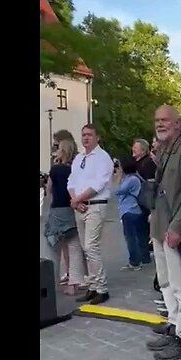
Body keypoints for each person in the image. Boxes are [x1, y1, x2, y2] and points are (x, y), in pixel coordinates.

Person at [146, 106, 181, 360]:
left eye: (165, 120)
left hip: (172, 230)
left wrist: (177, 227)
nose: (160, 124)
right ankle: (174, 325)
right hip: (160, 226)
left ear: (178, 124)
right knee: (165, 282)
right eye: (157, 120)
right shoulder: (165, 150)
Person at [67, 124, 114, 305]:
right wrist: (75, 200)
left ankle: (102, 288)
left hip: (95, 206)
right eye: (83, 135)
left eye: (89, 135)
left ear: (97, 137)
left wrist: (78, 199)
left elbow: (98, 184)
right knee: (85, 248)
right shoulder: (79, 158)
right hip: (80, 206)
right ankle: (93, 286)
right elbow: (71, 181)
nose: (86, 138)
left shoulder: (103, 158)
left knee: (91, 247)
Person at [45, 136, 86, 295]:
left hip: (57, 210)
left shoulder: (55, 169)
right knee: (74, 247)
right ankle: (73, 284)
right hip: (72, 208)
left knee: (53, 246)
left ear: (62, 151)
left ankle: (51, 281)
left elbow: (49, 189)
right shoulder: (76, 169)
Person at [114, 155, 151, 270]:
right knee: (138, 236)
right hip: (130, 210)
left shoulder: (132, 179)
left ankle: (135, 261)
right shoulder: (132, 178)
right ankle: (143, 258)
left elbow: (118, 191)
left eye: (119, 166)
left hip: (130, 210)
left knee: (131, 238)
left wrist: (118, 178)